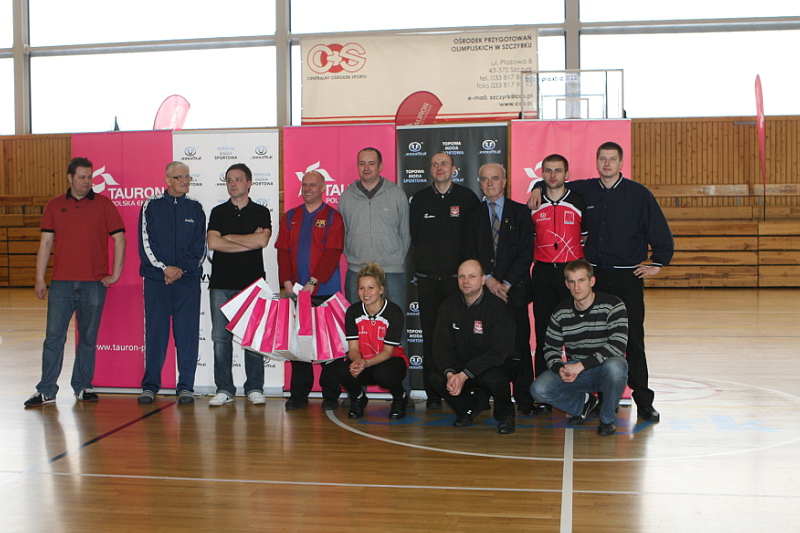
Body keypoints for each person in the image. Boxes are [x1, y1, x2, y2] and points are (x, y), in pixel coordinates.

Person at [528, 141, 673, 422]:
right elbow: (554, 181)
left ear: (621, 163)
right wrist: (537, 186)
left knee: (633, 338)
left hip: (628, 275)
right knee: (595, 337)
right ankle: (602, 396)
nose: (607, 164)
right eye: (603, 159)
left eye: (612, 159)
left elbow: (658, 228)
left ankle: (643, 401)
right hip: (595, 275)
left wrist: (658, 262)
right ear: (597, 163)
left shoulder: (638, 193)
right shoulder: (585, 189)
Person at [24, 157, 126, 408]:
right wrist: (39, 278)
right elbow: (46, 243)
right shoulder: (54, 205)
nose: (87, 181)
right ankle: (46, 390)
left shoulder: (104, 204)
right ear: (70, 178)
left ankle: (82, 386)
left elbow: (120, 239)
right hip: (61, 284)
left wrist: (115, 274)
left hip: (94, 284)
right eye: (82, 177)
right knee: (53, 338)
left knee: (88, 338)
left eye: (89, 177)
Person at [409, 152, 480, 410]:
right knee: (431, 338)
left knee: (461, 338)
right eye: (435, 164)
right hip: (428, 282)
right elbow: (415, 238)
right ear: (430, 170)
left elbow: (473, 239)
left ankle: (465, 390)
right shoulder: (419, 199)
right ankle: (433, 393)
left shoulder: (467, 198)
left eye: (444, 164)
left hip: (457, 284)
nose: (439, 168)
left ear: (454, 169)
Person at [464, 163, 535, 416]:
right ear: (480, 183)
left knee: (520, 345)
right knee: (484, 346)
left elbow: (526, 254)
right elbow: (469, 252)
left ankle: (524, 399)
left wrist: (505, 284)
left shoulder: (521, 213)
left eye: (495, 178)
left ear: (504, 181)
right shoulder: (473, 215)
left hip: (515, 292)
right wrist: (489, 280)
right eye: (485, 179)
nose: (490, 183)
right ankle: (483, 397)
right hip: (484, 292)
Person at [530, 259, 629, 436]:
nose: (577, 287)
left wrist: (582, 365)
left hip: (603, 368)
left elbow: (617, 345)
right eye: (572, 281)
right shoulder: (560, 311)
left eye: (581, 280)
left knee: (616, 366)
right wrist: (559, 368)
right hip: (577, 373)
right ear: (566, 284)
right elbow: (550, 348)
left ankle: (607, 420)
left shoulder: (613, 305)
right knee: (538, 389)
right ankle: (584, 403)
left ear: (592, 281)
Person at [275, 170, 345, 411]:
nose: (308, 189)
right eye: (305, 184)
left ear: (323, 188)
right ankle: (298, 394)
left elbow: (333, 252)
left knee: (329, 345)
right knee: (299, 344)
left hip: (326, 290)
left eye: (313, 185)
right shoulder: (290, 216)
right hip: (295, 292)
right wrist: (286, 282)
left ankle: (331, 395)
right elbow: (282, 251)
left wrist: (314, 281)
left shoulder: (333, 217)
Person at [137, 161, 206, 405]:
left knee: (187, 335)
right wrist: (164, 268)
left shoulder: (196, 208)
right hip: (157, 281)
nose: (185, 181)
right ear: (167, 180)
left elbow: (200, 247)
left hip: (187, 282)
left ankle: (186, 387)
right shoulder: (151, 205)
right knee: (156, 333)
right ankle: (150, 386)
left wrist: (180, 270)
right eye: (179, 177)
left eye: (188, 177)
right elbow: (145, 242)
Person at [206, 163, 272, 407]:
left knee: (252, 338)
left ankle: (254, 387)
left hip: (252, 284)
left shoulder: (261, 211)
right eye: (229, 180)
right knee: (220, 339)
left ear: (249, 182)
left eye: (238, 179)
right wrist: (247, 241)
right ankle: (224, 388)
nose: (233, 184)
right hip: (221, 283)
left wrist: (229, 238)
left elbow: (262, 241)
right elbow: (213, 243)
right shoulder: (218, 212)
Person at [431, 259, 516, 434]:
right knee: (435, 377)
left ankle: (506, 415)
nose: (465, 281)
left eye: (472, 276)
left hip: (493, 364)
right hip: (463, 365)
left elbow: (498, 352)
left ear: (483, 279)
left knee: (495, 378)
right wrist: (451, 374)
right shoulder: (448, 306)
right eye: (461, 276)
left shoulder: (497, 307)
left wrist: (465, 374)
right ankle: (468, 408)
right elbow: (440, 346)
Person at [530, 154, 587, 412]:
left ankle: (579, 393)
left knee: (575, 335)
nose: (553, 175)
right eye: (548, 171)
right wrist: (536, 189)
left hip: (570, 273)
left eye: (558, 171)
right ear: (542, 174)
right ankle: (544, 395)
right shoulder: (534, 202)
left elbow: (585, 237)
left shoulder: (578, 200)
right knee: (545, 334)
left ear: (567, 174)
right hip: (543, 273)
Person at [338, 147, 410, 312]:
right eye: (362, 163)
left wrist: (394, 258)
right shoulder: (347, 197)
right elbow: (343, 233)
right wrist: (355, 257)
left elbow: (405, 232)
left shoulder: (396, 194)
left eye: (371, 163)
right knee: (357, 321)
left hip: (391, 271)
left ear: (380, 166)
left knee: (395, 321)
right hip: (357, 270)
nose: (366, 168)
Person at [334, 262, 408, 420]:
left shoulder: (394, 312)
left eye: (371, 288)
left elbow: (388, 352)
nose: (365, 293)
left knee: (384, 374)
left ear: (381, 290)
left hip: (390, 361)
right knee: (342, 371)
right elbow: (353, 348)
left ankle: (399, 397)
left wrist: (366, 363)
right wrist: (358, 362)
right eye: (361, 288)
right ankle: (358, 398)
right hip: (365, 362)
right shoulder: (353, 312)